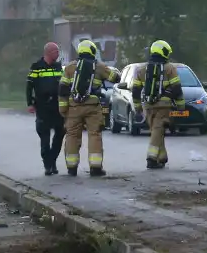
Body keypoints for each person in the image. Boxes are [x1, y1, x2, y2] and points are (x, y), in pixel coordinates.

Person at [58, 40, 120, 176]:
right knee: (94, 135)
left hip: (74, 107)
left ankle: (71, 167)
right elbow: (116, 78)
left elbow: (62, 90)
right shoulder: (99, 66)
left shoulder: (70, 68)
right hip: (93, 107)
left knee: (72, 136)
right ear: (92, 51)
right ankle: (95, 167)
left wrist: (63, 109)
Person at [132, 40, 185, 169]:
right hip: (164, 105)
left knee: (156, 131)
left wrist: (137, 106)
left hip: (148, 105)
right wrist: (180, 105)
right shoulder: (169, 68)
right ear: (164, 52)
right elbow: (177, 88)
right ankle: (151, 158)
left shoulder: (141, 69)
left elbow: (136, 90)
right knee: (158, 130)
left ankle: (162, 157)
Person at [26, 42, 65, 175]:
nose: (58, 53)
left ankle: (52, 160)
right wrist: (29, 103)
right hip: (43, 106)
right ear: (48, 52)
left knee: (60, 133)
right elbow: (29, 86)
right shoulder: (37, 67)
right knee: (45, 136)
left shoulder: (59, 67)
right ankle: (47, 164)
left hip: (57, 106)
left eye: (58, 51)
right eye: (56, 51)